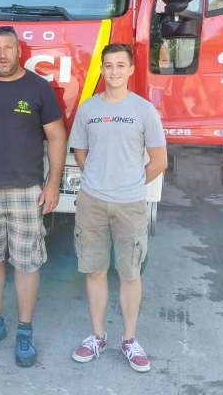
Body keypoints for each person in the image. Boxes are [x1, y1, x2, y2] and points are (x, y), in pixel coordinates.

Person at [0, 25, 67, 368]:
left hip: (26, 191)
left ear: (19, 51)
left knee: (26, 262)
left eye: (8, 47)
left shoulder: (38, 88)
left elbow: (57, 136)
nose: (2, 54)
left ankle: (24, 330)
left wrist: (53, 184)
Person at [68, 44, 167, 373]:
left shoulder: (144, 110)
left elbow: (160, 161)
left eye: (120, 65)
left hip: (131, 203)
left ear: (131, 70)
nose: (114, 71)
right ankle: (97, 336)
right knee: (95, 270)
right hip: (92, 202)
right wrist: (100, 179)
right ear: (102, 69)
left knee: (129, 272)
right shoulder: (88, 109)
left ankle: (129, 340)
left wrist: (131, 183)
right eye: (108, 65)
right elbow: (80, 153)